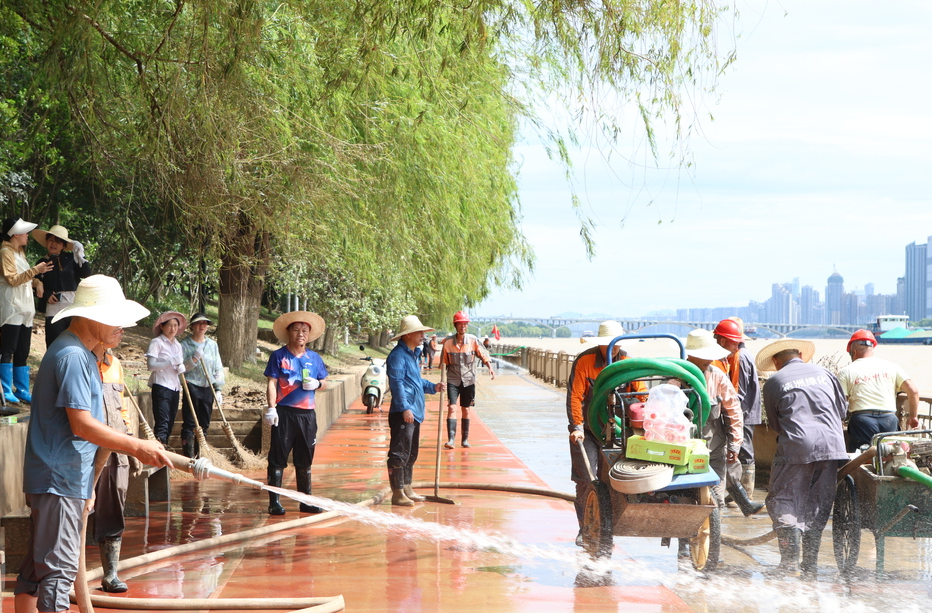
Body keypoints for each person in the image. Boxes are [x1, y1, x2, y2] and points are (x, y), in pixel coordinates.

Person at [14, 275, 171, 613]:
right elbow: (82, 424)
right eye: (115, 319)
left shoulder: (83, 355)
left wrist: (89, 484)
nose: (123, 329)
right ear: (91, 316)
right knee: (58, 574)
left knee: (35, 570)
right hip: (59, 480)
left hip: (63, 478)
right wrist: (137, 447)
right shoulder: (71, 357)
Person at [756, 338, 848, 577]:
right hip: (833, 444)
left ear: (776, 361)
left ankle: (788, 562)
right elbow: (842, 411)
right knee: (818, 503)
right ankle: (810, 565)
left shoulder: (774, 381)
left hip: (797, 444)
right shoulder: (826, 373)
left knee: (782, 500)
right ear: (799, 354)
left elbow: (775, 423)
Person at [566, 320, 646, 544]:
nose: (613, 348)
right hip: (589, 431)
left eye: (616, 344)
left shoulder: (629, 364)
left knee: (612, 481)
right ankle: (584, 527)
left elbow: (641, 396)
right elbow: (575, 396)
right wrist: (577, 427)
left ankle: (607, 528)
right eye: (608, 344)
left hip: (618, 432)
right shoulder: (585, 361)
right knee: (585, 479)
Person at [262, 311, 329, 515]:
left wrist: (317, 384)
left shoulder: (314, 358)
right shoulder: (279, 356)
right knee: (278, 456)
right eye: (297, 330)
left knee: (305, 457)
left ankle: (305, 500)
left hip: (307, 415)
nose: (301, 334)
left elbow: (325, 382)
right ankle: (274, 501)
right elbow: (271, 383)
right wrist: (271, 407)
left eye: (305, 330)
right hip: (284, 414)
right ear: (288, 332)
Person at [680, 329, 752, 512]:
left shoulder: (717, 376)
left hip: (714, 451)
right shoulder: (675, 378)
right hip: (683, 453)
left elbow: (734, 412)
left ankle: (714, 536)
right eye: (704, 356)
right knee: (687, 500)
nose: (709, 361)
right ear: (691, 355)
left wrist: (735, 445)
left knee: (717, 500)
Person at [385, 315, 443, 506]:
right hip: (404, 412)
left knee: (411, 453)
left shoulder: (412, 355)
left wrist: (433, 387)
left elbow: (416, 382)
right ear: (408, 335)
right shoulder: (397, 356)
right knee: (399, 453)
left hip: (414, 411)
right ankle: (398, 493)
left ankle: (407, 487)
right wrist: (405, 408)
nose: (422, 336)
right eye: (419, 332)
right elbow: (397, 384)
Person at [837, 329, 920, 452]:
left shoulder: (846, 371)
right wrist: (913, 416)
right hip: (889, 419)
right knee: (891, 456)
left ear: (853, 351)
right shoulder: (892, 367)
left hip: (862, 421)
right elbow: (913, 391)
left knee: (863, 458)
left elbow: (840, 403)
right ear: (872, 350)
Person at [0, 217, 53, 404]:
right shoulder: (5, 252)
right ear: (15, 234)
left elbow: (26, 278)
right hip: (12, 308)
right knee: (8, 348)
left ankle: (22, 389)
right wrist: (35, 271)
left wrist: (37, 282)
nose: (28, 236)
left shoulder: (20, 252)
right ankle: (5, 390)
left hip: (26, 309)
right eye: (25, 232)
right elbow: (13, 280)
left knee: (22, 350)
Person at [713, 317, 763, 506]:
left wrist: (732, 416)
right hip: (744, 411)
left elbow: (738, 392)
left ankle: (746, 496)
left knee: (744, 452)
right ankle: (739, 496)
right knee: (741, 452)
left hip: (744, 412)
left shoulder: (739, 357)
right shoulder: (739, 354)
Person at [95, 345, 133, 592]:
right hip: (86, 447)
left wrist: (130, 438)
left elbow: (122, 407)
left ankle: (110, 574)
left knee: (114, 505)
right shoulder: (79, 361)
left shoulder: (115, 364)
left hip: (117, 448)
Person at [439, 310, 495, 449]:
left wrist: (489, 367)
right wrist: (441, 380)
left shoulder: (473, 341)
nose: (463, 326)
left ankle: (464, 440)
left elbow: (483, 354)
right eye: (460, 324)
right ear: (455, 325)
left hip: (469, 380)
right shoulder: (447, 343)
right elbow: (443, 363)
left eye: (465, 324)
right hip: (453, 380)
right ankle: (451, 440)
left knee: (466, 409)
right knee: (452, 407)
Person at [32, 224, 92, 347]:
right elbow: (34, 284)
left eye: (58, 242)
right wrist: (47, 295)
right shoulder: (41, 262)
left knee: (74, 342)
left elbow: (86, 273)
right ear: (46, 241)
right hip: (53, 308)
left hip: (73, 307)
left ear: (64, 245)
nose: (53, 244)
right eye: (51, 240)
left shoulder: (71, 259)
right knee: (54, 344)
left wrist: (81, 255)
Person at [180, 312, 225, 457]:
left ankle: (202, 456)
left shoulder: (212, 345)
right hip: (191, 385)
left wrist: (218, 389)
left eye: (205, 323)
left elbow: (217, 367)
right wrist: (193, 358)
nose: (202, 326)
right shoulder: (185, 344)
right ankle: (188, 458)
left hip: (208, 387)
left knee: (204, 422)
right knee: (190, 421)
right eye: (199, 323)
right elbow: (181, 368)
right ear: (192, 326)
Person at [146, 311, 187, 449]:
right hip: (162, 385)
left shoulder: (178, 345)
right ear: (162, 326)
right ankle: (159, 451)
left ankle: (166, 449)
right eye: (170, 325)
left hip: (174, 387)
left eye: (176, 325)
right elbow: (151, 366)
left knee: (170, 422)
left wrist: (179, 367)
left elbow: (177, 364)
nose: (173, 328)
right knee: (162, 422)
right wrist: (170, 362)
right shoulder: (156, 342)